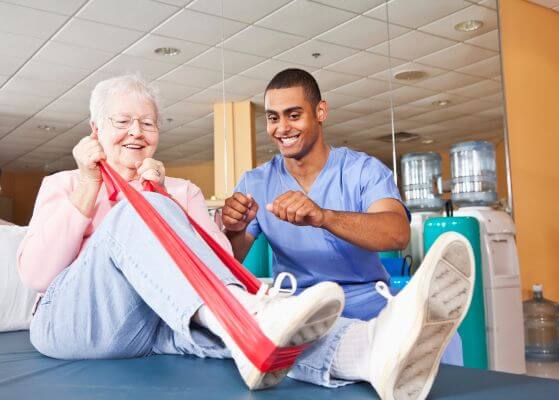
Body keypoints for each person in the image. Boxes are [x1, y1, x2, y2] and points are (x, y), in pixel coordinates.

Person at [18, 74, 474, 400]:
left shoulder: (183, 191)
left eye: (148, 123)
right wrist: (97, 185)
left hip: (150, 326)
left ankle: (368, 351)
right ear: (96, 131)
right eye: (122, 122)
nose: (136, 133)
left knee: (240, 332)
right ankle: (256, 316)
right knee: (147, 212)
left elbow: (217, 271)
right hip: (74, 322)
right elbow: (39, 275)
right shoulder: (66, 184)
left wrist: (167, 198)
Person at [222, 69, 463, 364]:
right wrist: (234, 230)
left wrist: (323, 216)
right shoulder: (254, 182)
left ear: (320, 111)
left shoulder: (363, 170)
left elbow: (397, 232)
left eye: (294, 115)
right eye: (273, 118)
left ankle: (418, 305)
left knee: (447, 343)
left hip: (365, 303)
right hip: (297, 307)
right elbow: (229, 260)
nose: (282, 128)